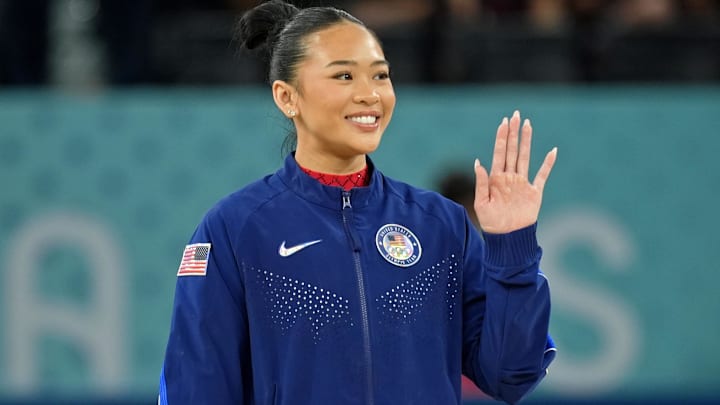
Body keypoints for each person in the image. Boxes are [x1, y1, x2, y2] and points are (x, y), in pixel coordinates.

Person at [157, 0, 558, 404]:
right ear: (286, 97)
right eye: (344, 76)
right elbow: (196, 388)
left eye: (380, 75)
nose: (369, 95)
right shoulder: (236, 227)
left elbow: (510, 375)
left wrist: (512, 247)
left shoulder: (441, 225)